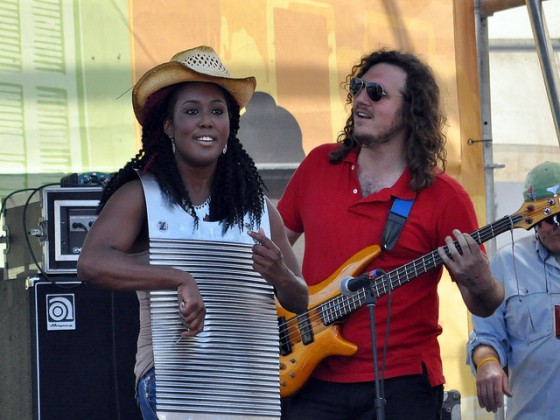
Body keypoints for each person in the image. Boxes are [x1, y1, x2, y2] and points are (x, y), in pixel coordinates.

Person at [77, 45, 308, 419]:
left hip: (247, 388)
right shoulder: (143, 196)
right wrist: (178, 277)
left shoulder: (258, 209)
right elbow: (91, 263)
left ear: (230, 125)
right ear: (168, 126)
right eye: (191, 111)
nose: (206, 121)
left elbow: (300, 298)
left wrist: (280, 272)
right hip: (172, 382)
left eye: (217, 111)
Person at [276, 49, 504, 419]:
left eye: (377, 93)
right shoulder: (319, 165)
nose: (361, 99)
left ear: (411, 111)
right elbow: (273, 250)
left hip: (401, 385)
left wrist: (478, 280)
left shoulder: (445, 197)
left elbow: (484, 304)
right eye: (358, 88)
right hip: (311, 375)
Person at [466, 161, 560, 419]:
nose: (546, 228)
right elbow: (486, 336)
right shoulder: (507, 263)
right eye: (538, 220)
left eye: (554, 218)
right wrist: (487, 363)